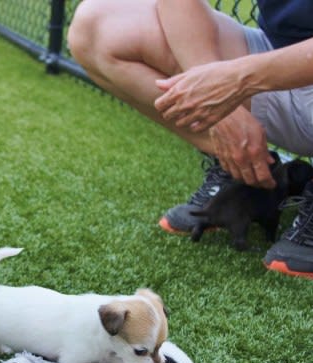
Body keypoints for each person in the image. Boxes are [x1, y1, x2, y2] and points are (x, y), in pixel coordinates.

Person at [67, 0, 313, 279]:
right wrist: (219, 108)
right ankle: (248, 168)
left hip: (277, 69)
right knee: (98, 23)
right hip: (279, 55)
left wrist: (240, 79)